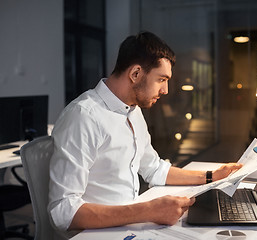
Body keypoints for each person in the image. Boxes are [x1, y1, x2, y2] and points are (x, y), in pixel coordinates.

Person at [48, 31, 242, 235]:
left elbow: (154, 168)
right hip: (97, 233)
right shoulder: (83, 116)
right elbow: (62, 212)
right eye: (161, 79)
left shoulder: (132, 110)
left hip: (130, 225)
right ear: (135, 74)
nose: (166, 90)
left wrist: (212, 176)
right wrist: (148, 210)